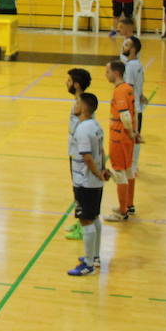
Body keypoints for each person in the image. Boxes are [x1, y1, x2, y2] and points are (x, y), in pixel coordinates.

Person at [66, 90, 110, 276]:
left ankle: (89, 264)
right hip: (94, 182)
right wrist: (103, 170)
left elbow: (88, 157)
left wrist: (98, 173)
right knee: (94, 216)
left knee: (85, 219)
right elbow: (100, 150)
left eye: (77, 103)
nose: (74, 106)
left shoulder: (83, 129)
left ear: (84, 107)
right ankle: (95, 256)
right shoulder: (95, 126)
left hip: (85, 181)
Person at [103, 60, 141, 222]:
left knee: (119, 171)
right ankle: (129, 204)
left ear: (116, 73)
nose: (106, 75)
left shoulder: (119, 91)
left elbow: (125, 114)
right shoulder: (129, 89)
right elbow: (135, 112)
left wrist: (131, 131)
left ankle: (122, 210)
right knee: (128, 169)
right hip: (128, 137)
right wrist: (135, 132)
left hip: (119, 136)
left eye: (107, 72)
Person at [63, 67, 93, 241]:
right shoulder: (78, 102)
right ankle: (80, 222)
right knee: (76, 190)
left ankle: (83, 226)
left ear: (76, 84)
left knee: (80, 190)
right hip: (74, 153)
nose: (65, 83)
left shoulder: (81, 105)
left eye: (68, 81)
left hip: (80, 157)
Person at [123, 34, 146, 150]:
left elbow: (129, 89)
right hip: (138, 108)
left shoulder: (130, 66)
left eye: (126, 45)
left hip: (133, 110)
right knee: (135, 140)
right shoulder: (139, 64)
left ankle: (132, 166)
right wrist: (141, 95)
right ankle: (133, 166)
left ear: (133, 49)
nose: (124, 47)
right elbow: (140, 84)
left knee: (132, 140)